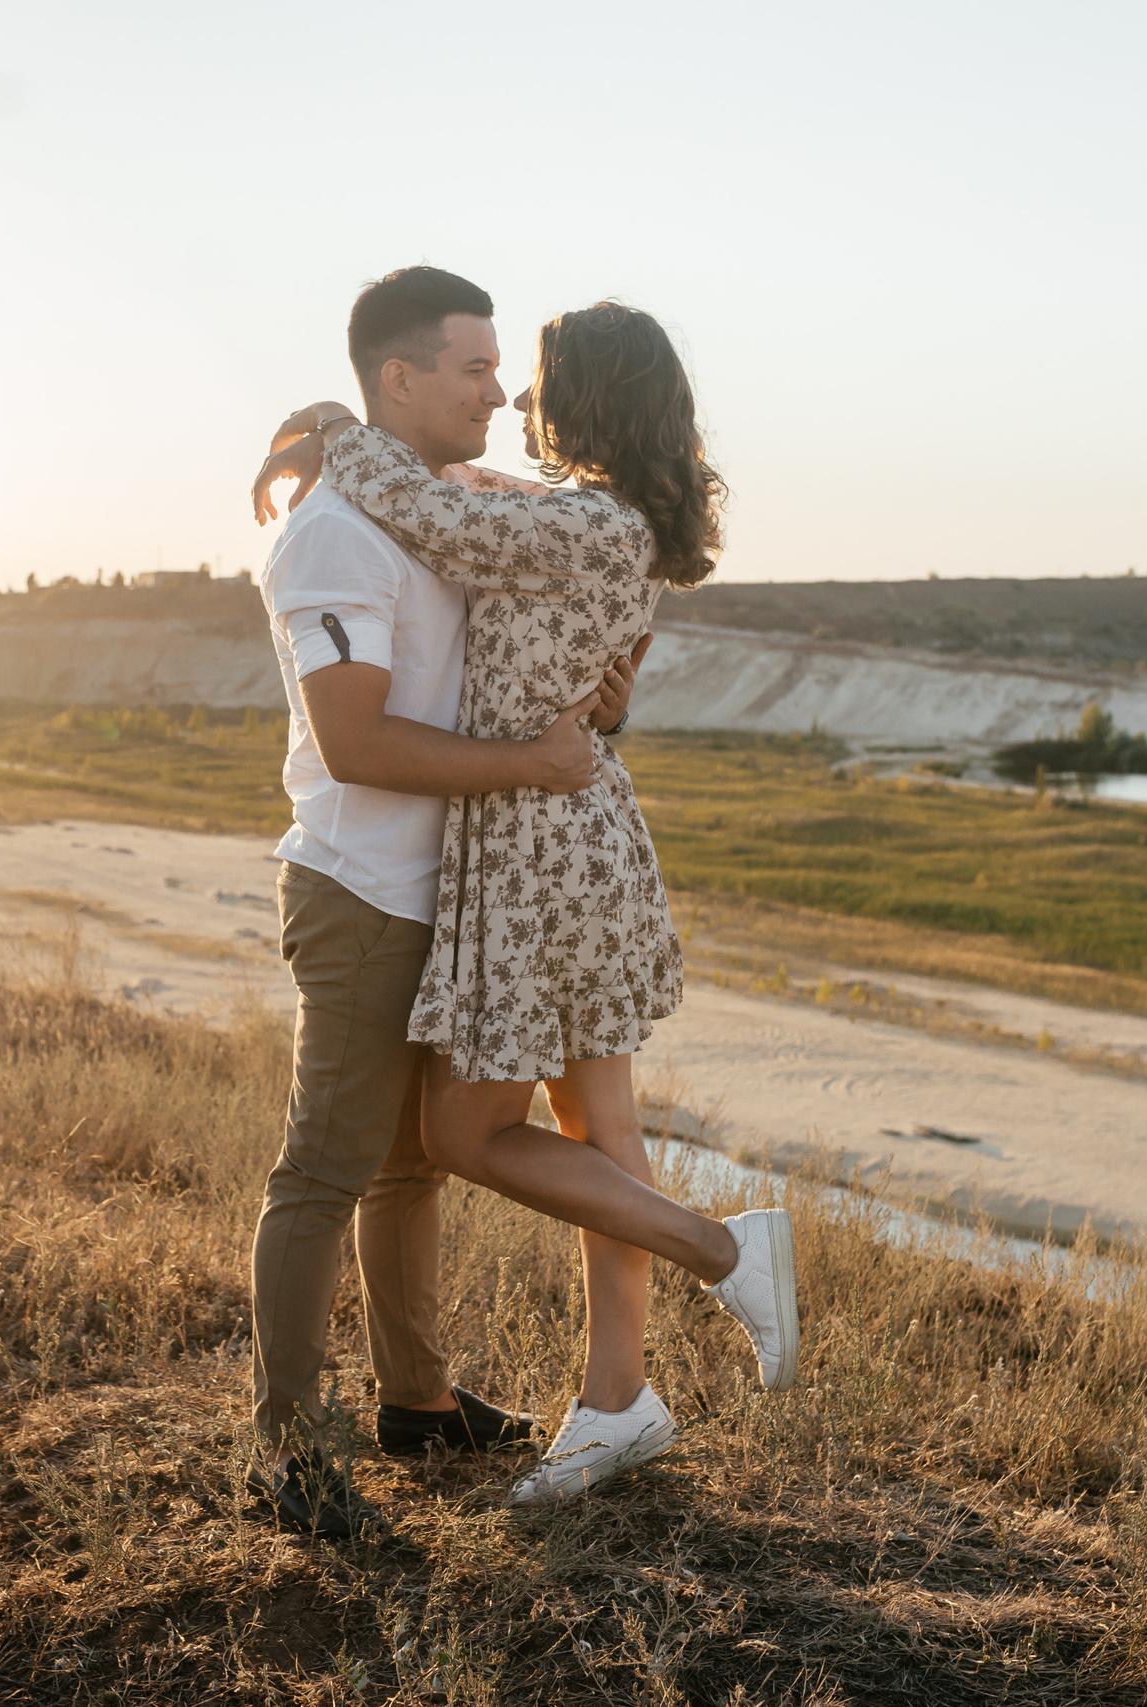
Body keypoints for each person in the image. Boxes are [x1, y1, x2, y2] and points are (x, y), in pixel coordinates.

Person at [253, 284, 798, 1509]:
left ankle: (697, 1284)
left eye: (524, 376)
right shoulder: (567, 521)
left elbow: (433, 505)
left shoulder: (562, 527)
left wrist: (335, 428)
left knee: (459, 1139)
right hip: (529, 841)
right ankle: (611, 1400)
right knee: (574, 1130)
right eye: (482, 371)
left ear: (585, 399)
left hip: (537, 852)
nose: (508, 396)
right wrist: (346, 437)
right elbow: (454, 521)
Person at [242, 267, 650, 1538]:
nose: (501, 391)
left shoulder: (443, 501)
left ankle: (415, 1402)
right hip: (365, 888)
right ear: (399, 379)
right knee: (326, 1169)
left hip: (463, 896)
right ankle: (292, 1459)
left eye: (498, 366)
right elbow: (357, 743)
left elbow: (575, 566)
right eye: (472, 369)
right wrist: (532, 764)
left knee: (410, 1169)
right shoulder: (331, 533)